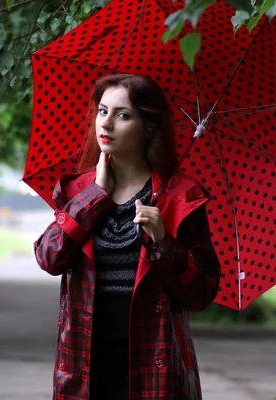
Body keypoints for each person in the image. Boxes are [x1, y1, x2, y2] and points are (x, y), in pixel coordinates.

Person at [34, 74, 221, 400]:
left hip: (154, 361)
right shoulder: (77, 191)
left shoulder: (179, 197)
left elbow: (201, 293)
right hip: (84, 360)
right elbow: (48, 257)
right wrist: (94, 196)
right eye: (102, 111)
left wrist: (164, 241)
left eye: (123, 115)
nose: (106, 124)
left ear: (148, 127)